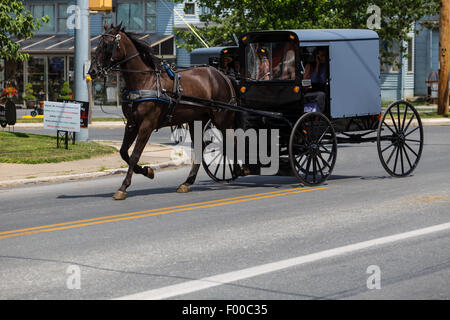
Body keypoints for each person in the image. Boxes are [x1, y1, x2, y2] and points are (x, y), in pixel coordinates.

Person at [303, 47, 328, 113]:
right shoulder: (310, 66)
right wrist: (317, 65)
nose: (324, 58)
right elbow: (313, 80)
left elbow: (323, 80)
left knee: (322, 95)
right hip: (310, 90)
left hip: (321, 89)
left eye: (325, 56)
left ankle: (318, 119)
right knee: (320, 96)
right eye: (322, 56)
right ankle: (315, 118)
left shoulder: (326, 66)